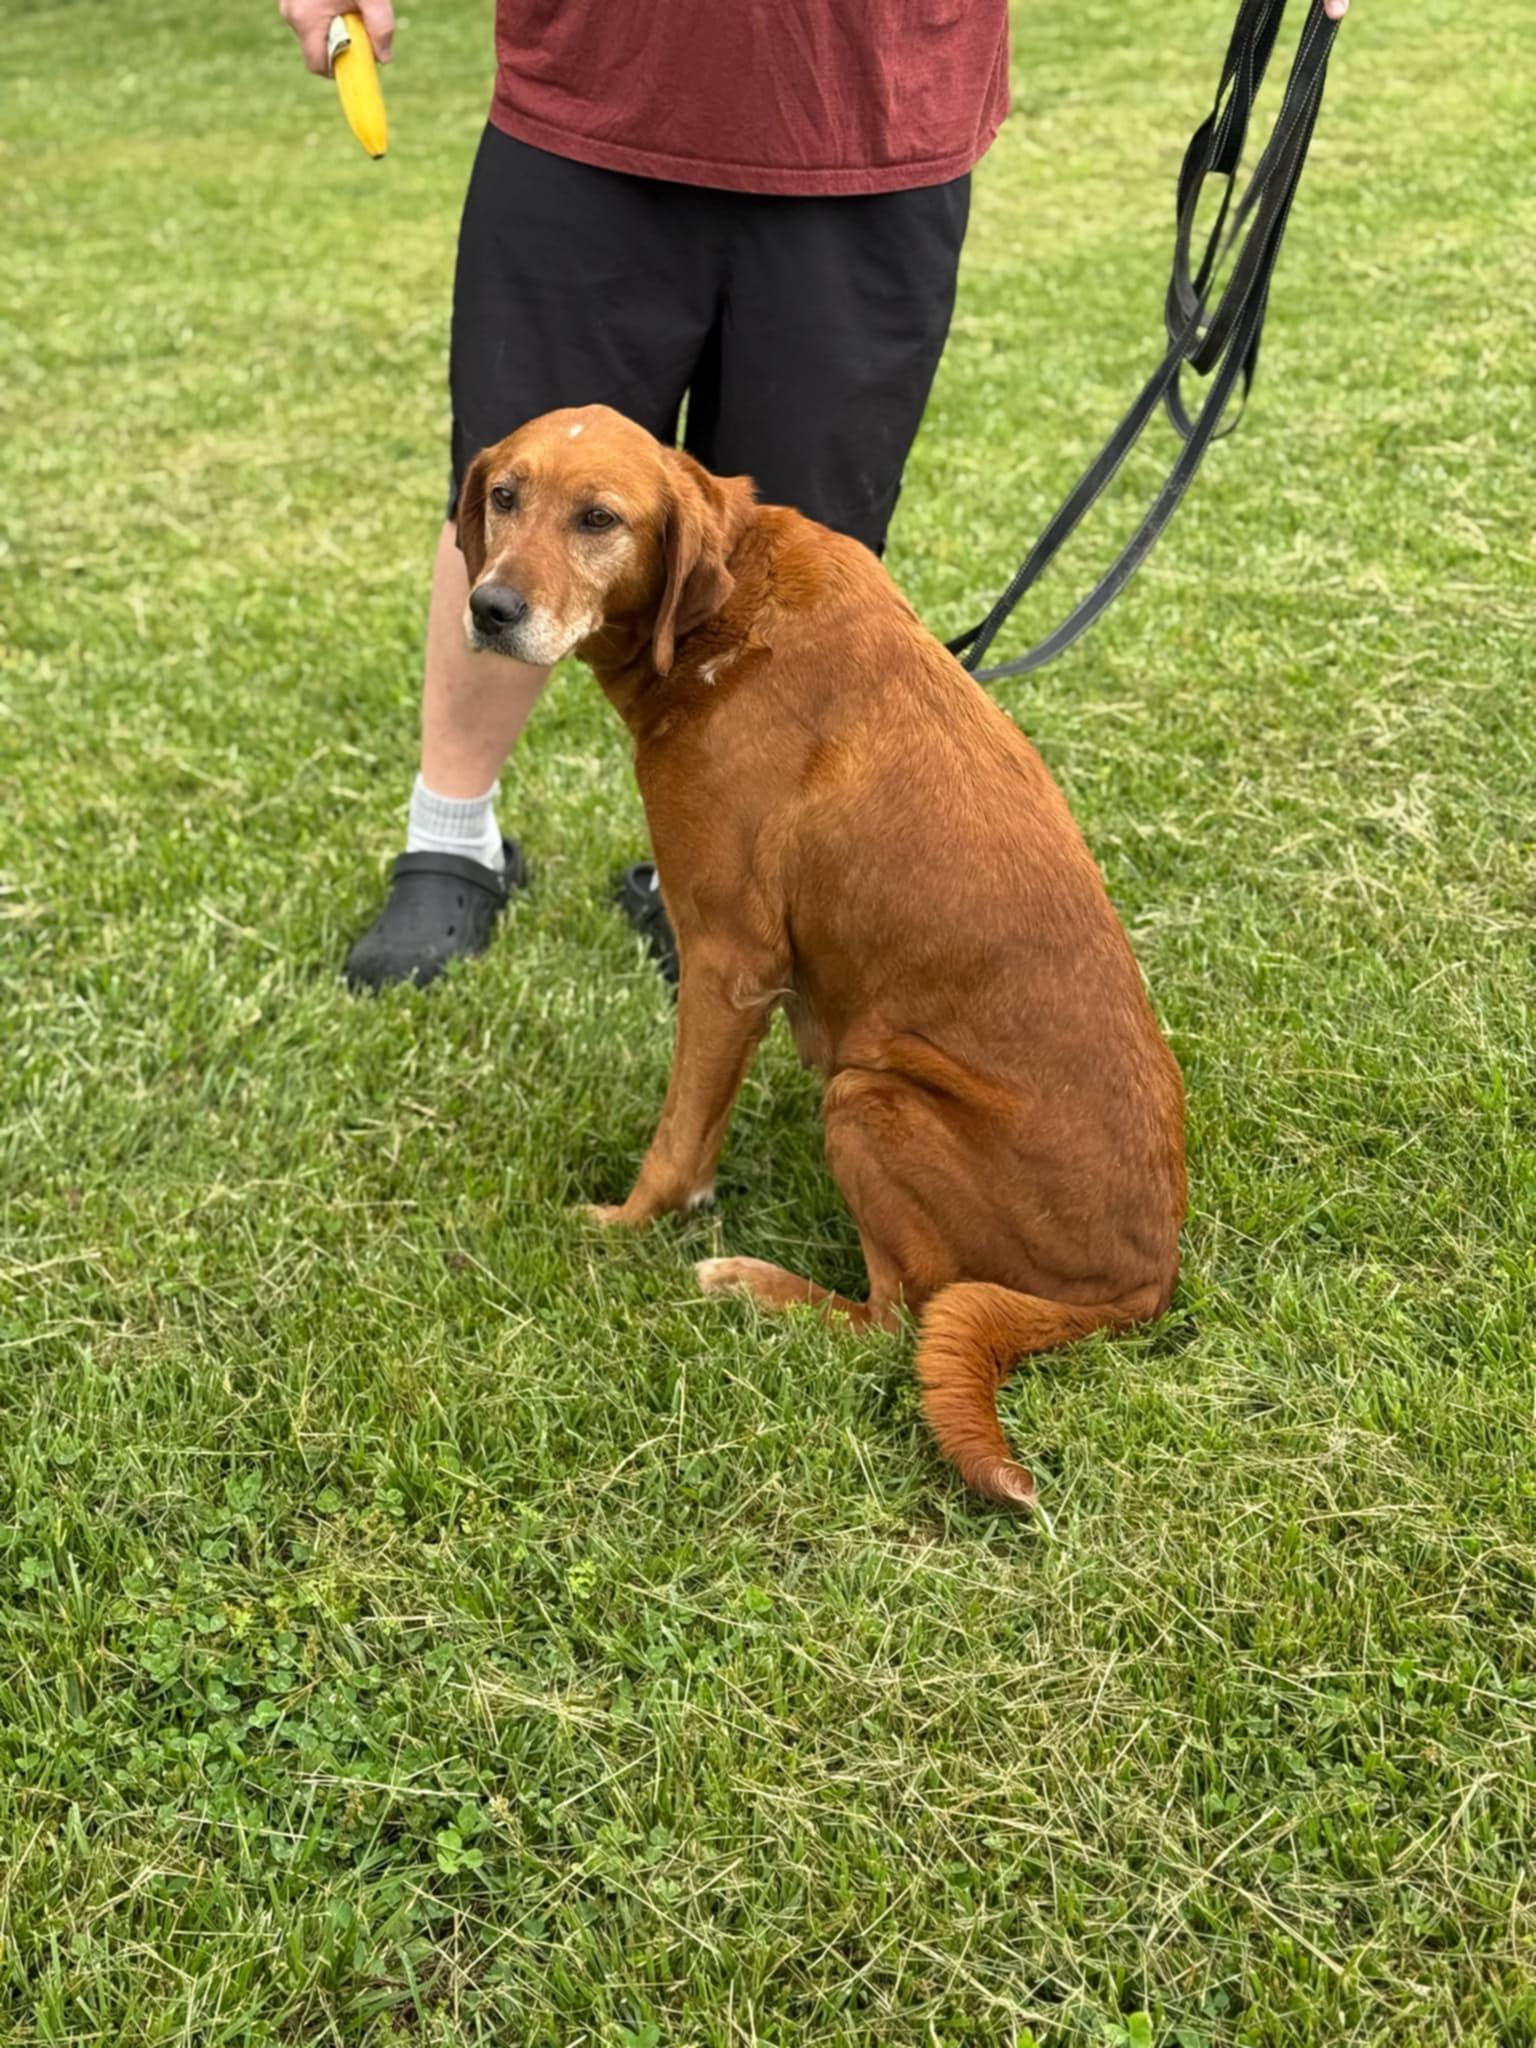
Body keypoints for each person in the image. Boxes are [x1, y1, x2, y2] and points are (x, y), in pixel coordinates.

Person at [279, 0, 1353, 990]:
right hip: (598, 93)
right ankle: (450, 833)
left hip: (876, 108)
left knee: (797, 544)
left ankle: (722, 862)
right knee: (517, 497)